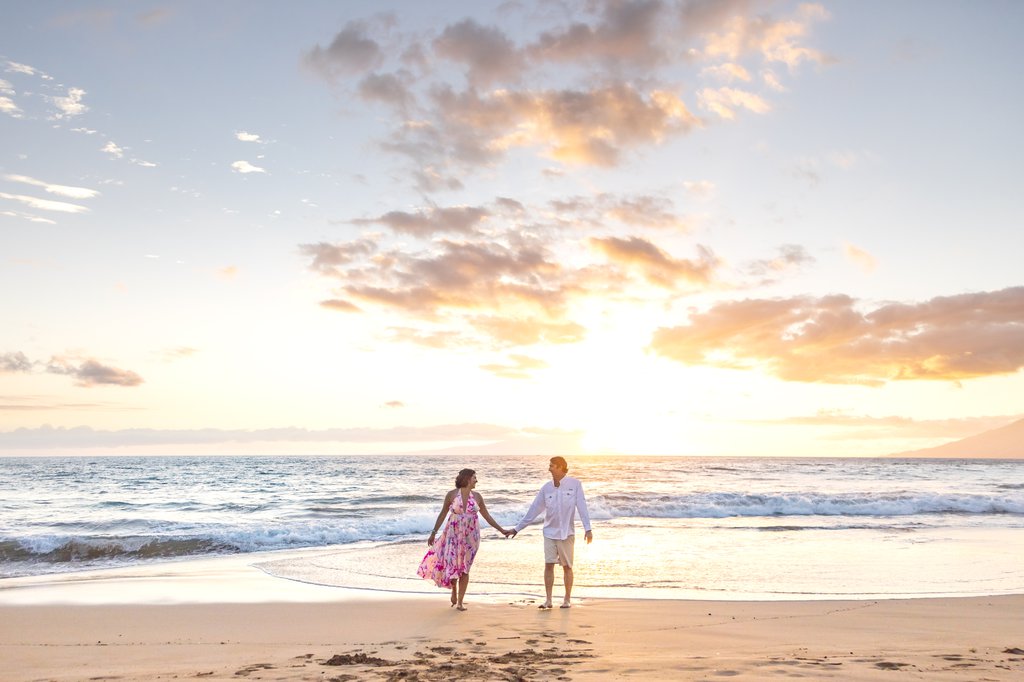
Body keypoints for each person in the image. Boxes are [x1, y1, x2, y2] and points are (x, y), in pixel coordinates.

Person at [417, 468, 513, 610]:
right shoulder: (451, 495)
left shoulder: (478, 497)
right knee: (453, 565)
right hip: (453, 535)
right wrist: (433, 532)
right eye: (474, 477)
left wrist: (501, 530)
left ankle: (460, 602)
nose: (476, 480)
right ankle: (454, 590)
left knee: (465, 568)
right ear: (467, 479)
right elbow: (443, 514)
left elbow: (487, 516)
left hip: (471, 537)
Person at [510, 456, 592, 609]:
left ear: (561, 467)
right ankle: (548, 600)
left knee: (567, 566)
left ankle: (567, 599)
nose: (549, 468)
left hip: (567, 533)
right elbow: (534, 510)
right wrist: (517, 528)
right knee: (549, 565)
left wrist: (588, 529)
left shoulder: (575, 485)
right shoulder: (546, 488)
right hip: (549, 532)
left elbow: (582, 507)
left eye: (552, 466)